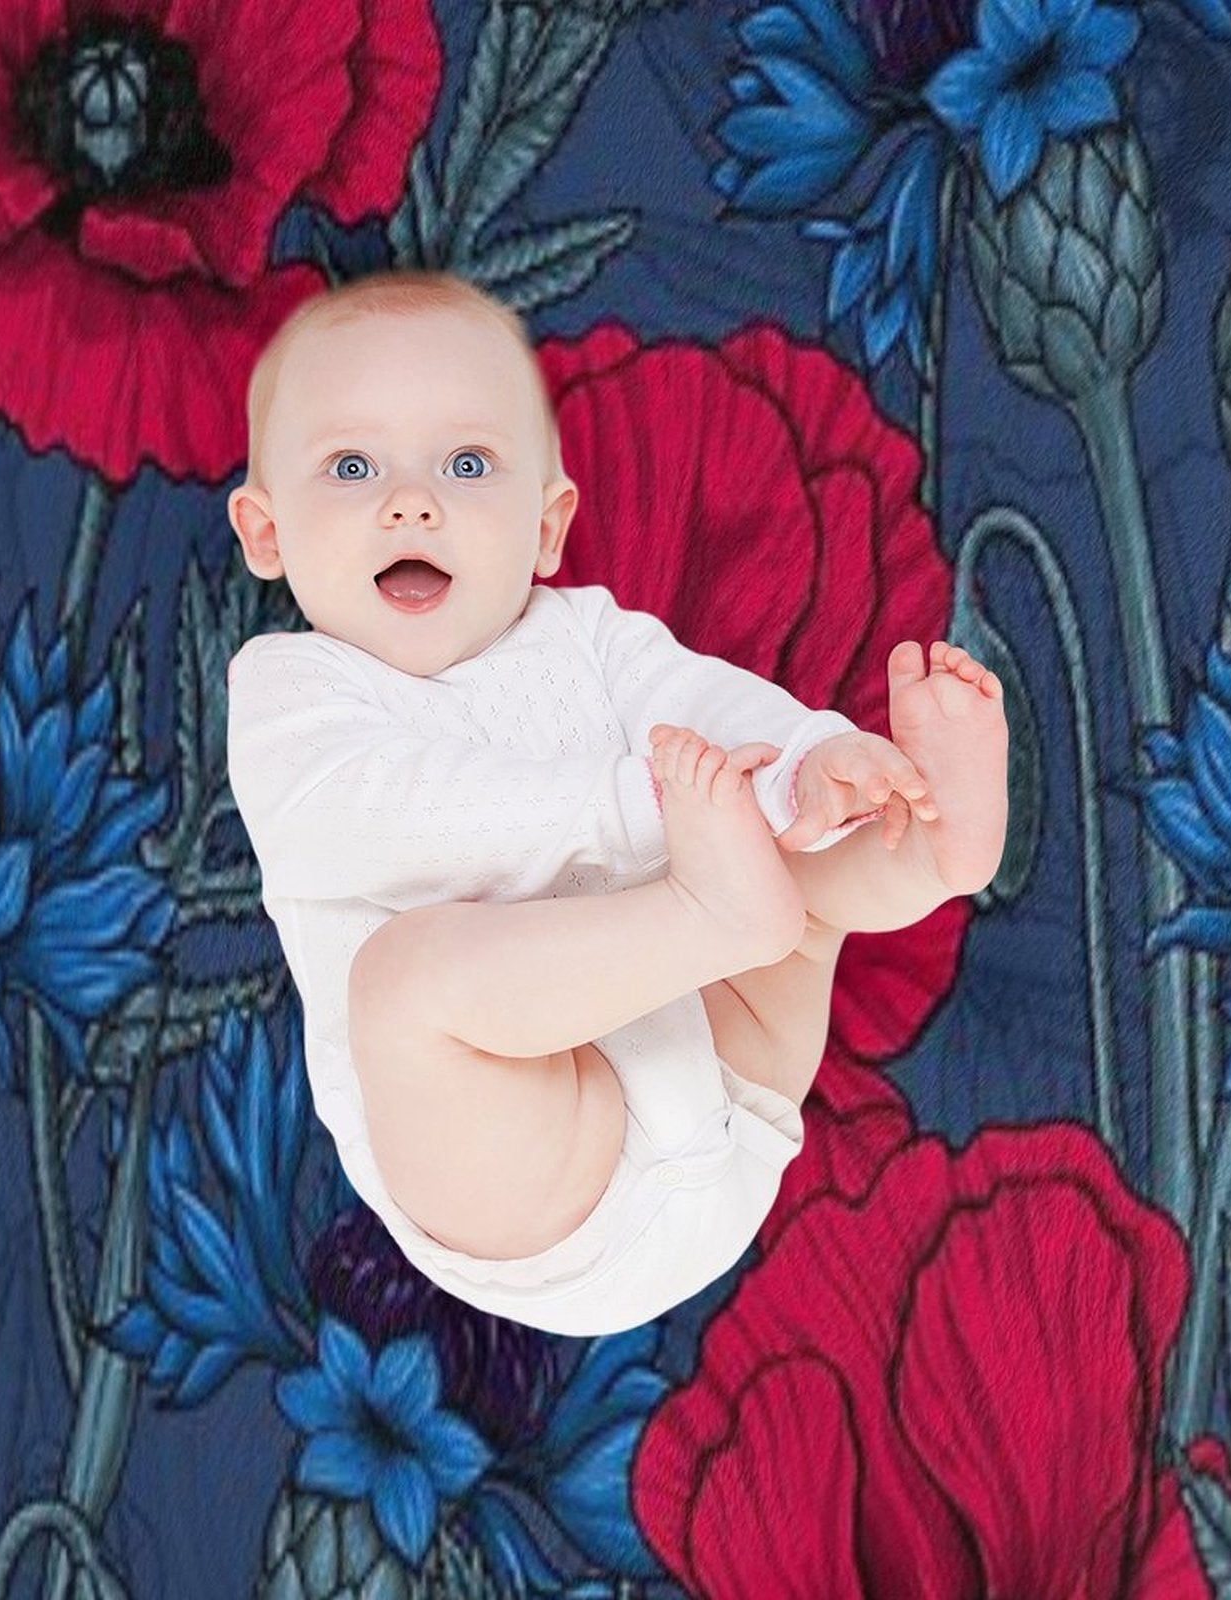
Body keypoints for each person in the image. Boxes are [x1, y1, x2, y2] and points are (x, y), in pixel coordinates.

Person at [226, 269, 1009, 1335]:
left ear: (546, 530)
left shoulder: (585, 634)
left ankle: (923, 849)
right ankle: (720, 911)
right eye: (351, 465)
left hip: (732, 1085)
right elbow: (395, 819)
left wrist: (805, 762)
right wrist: (642, 808)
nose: (412, 502)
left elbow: (702, 704)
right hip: (541, 1177)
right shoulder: (291, 694)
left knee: (795, 867)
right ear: (266, 534)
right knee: (402, 983)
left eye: (466, 463)